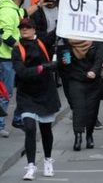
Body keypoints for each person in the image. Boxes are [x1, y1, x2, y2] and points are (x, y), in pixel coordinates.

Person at [13, 18, 60, 180]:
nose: (24, 30)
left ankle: (48, 160)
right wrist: (43, 67)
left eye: (27, 27)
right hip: (27, 95)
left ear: (34, 29)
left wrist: (63, 15)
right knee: (30, 127)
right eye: (21, 28)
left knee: (46, 130)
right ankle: (31, 166)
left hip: (46, 92)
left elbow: (55, 34)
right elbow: (21, 72)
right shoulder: (17, 49)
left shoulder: (42, 41)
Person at [59, 39, 103, 151]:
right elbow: (65, 63)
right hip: (76, 80)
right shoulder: (69, 43)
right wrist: (66, 60)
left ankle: (89, 135)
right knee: (78, 108)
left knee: (92, 110)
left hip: (93, 82)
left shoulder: (96, 42)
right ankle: (78, 136)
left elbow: (99, 59)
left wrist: (94, 71)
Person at [0, 0, 27, 137]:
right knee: (5, 92)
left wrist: (41, 4)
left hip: (12, 58)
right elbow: (5, 34)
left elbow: (25, 13)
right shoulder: (7, 11)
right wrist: (21, 47)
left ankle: (17, 119)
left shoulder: (14, 9)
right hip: (6, 59)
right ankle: (1, 124)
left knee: (16, 90)